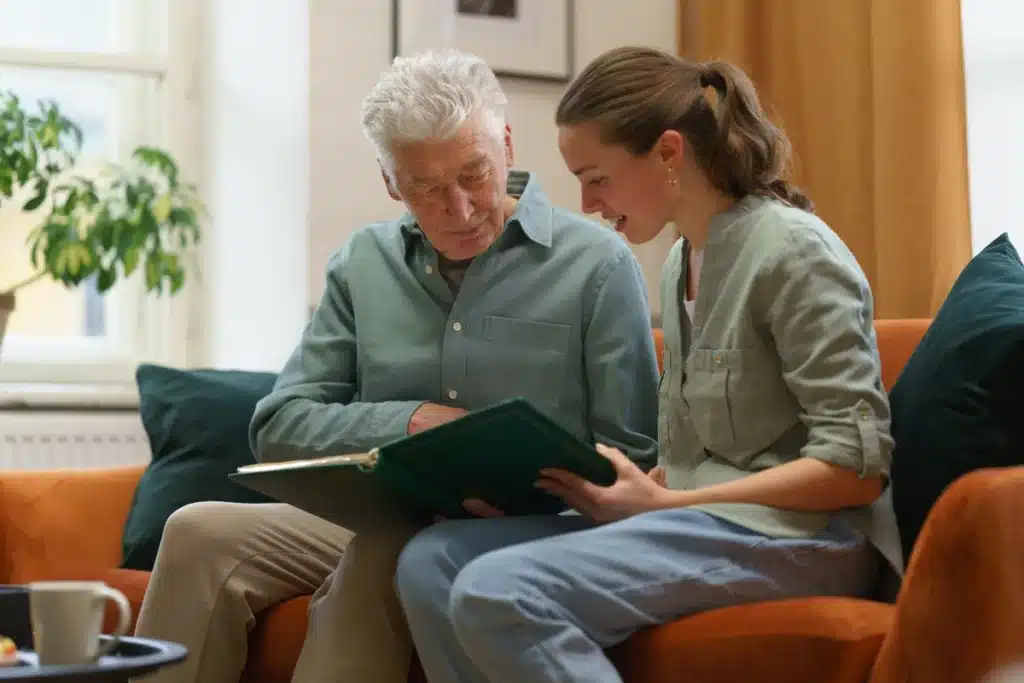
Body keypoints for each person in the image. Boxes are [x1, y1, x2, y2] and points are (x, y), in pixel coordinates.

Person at [131, 49, 660, 683]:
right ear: (390, 183)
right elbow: (279, 423)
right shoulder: (363, 262)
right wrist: (411, 422)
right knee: (196, 532)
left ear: (508, 147)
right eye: (427, 188)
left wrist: (528, 492)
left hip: (528, 528)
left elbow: (634, 450)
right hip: (375, 510)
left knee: (386, 554)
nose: (459, 209)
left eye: (474, 174)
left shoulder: (597, 265)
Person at [393, 46, 904, 683]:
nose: (584, 203)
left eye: (597, 177)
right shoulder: (679, 262)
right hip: (698, 520)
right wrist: (638, 487)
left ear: (668, 153)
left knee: (499, 591)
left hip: (800, 539)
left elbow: (853, 471)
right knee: (430, 562)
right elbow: (702, 450)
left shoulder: (795, 254)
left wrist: (660, 507)